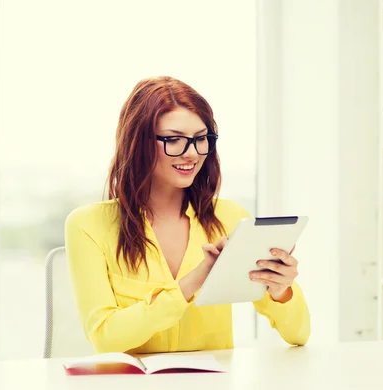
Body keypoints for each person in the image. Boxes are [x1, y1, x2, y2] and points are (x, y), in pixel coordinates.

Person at [65, 76, 310, 354]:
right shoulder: (88, 225)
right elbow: (105, 337)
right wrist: (193, 281)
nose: (191, 153)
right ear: (138, 142)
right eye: (174, 140)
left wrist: (281, 290)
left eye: (200, 139)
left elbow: (299, 335)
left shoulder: (230, 218)